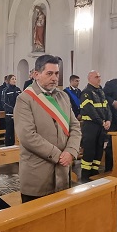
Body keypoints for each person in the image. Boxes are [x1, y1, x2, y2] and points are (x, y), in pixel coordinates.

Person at [14, 55, 81, 202]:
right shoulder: (24, 99)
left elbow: (75, 126)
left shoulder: (63, 96)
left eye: (57, 73)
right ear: (36, 74)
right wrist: (59, 156)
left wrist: (70, 151)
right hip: (37, 174)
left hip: (63, 172)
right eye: (49, 73)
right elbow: (27, 136)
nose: (54, 78)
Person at [79, 70, 111, 183]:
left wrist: (108, 120)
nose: (99, 78)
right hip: (91, 126)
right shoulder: (86, 92)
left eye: (99, 76)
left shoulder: (101, 92)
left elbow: (107, 108)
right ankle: (86, 174)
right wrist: (101, 121)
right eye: (96, 77)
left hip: (101, 126)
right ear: (89, 78)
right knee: (90, 150)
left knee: (99, 149)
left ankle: (94, 171)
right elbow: (89, 110)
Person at [1, 74, 21, 146]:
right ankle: (8, 145)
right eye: (12, 79)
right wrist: (13, 109)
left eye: (15, 79)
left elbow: (21, 101)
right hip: (10, 114)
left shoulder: (18, 90)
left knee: (17, 131)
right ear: (9, 80)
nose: (14, 80)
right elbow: (4, 102)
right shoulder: (5, 90)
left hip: (18, 114)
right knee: (9, 131)